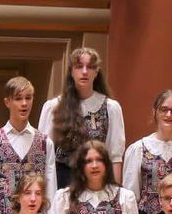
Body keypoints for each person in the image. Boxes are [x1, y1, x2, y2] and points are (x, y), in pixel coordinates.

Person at [39, 48, 125, 188]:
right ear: (71, 71)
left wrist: (114, 193)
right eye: (79, 67)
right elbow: (44, 155)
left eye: (90, 67)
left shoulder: (110, 107)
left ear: (96, 72)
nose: (84, 72)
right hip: (63, 181)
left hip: (98, 181)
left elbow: (115, 156)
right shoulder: (54, 107)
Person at [0, 76, 57, 214]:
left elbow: (51, 185)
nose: (24, 103)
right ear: (7, 102)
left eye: (28, 98)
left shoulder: (45, 142)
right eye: (18, 98)